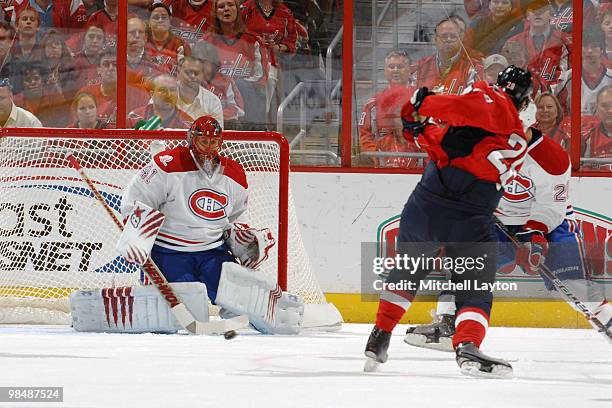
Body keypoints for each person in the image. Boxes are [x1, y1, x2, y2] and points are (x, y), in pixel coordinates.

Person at [364, 66, 532, 377]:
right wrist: (421, 123)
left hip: (426, 206)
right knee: (474, 289)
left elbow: (446, 124)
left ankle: (380, 335)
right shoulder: (519, 138)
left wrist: (419, 109)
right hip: (472, 216)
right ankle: (467, 345)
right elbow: (471, 144)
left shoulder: (488, 99)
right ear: (524, 101)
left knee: (406, 273)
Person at [403, 126, 612, 349]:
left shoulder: (552, 158)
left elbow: (551, 206)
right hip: (497, 220)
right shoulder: (482, 143)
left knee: (573, 285)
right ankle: (448, 325)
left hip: (548, 223)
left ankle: (608, 323)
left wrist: (534, 236)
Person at [116, 115, 303, 334]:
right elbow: (136, 201)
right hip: (169, 252)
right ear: (191, 139)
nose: (208, 147)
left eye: (213, 142)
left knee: (242, 308)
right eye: (203, 141)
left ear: (221, 142)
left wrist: (242, 239)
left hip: (213, 252)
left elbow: (236, 217)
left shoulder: (235, 173)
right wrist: (137, 238)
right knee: (180, 317)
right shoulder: (167, 164)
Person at [205, 0, 269, 130]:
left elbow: (261, 76)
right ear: (216, 13)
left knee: (243, 86)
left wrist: (233, 85)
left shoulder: (253, 40)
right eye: (221, 7)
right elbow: (199, 73)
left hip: (247, 92)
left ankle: (255, 133)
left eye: (230, 5)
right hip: (218, 92)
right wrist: (225, 86)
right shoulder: (206, 41)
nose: (226, 9)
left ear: (238, 10)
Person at [358, 50, 421, 169]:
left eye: (400, 67)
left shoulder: (421, 101)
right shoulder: (372, 105)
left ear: (409, 71)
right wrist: (377, 159)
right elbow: (365, 137)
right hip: (383, 169)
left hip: (417, 168)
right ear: (385, 71)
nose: (395, 70)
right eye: (391, 67)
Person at [241, 0, 297, 127]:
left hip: (270, 61)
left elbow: (292, 40)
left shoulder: (285, 13)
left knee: (268, 82)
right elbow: (232, 32)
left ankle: (258, 125)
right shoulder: (245, 8)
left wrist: (278, 47)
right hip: (245, 59)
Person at [412, 18, 483, 95]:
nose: (448, 40)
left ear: (461, 39)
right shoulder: (420, 67)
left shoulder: (474, 67)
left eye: (453, 36)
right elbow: (411, 99)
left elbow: (476, 101)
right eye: (444, 36)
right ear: (435, 39)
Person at [555, 28, 612, 116]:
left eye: (594, 46)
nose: (589, 51)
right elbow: (556, 111)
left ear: (602, 49)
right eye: (585, 46)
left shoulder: (610, 78)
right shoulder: (566, 78)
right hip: (573, 129)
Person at [127, 73, 193, 129]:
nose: (168, 95)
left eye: (172, 90)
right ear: (152, 94)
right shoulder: (134, 118)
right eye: (162, 90)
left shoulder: (188, 124)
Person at [177, 55, 224, 127]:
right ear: (178, 72)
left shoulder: (213, 102)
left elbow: (216, 135)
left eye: (196, 73)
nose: (192, 76)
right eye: (188, 72)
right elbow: (155, 130)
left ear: (202, 75)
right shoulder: (162, 94)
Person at [145, 2, 191, 76]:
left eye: (164, 17)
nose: (160, 20)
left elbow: (190, 74)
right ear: (149, 22)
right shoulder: (142, 43)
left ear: (170, 20)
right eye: (156, 17)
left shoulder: (182, 45)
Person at [581, 85, 612, 171]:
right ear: (596, 107)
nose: (610, 110)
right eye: (605, 105)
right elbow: (583, 170)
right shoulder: (587, 137)